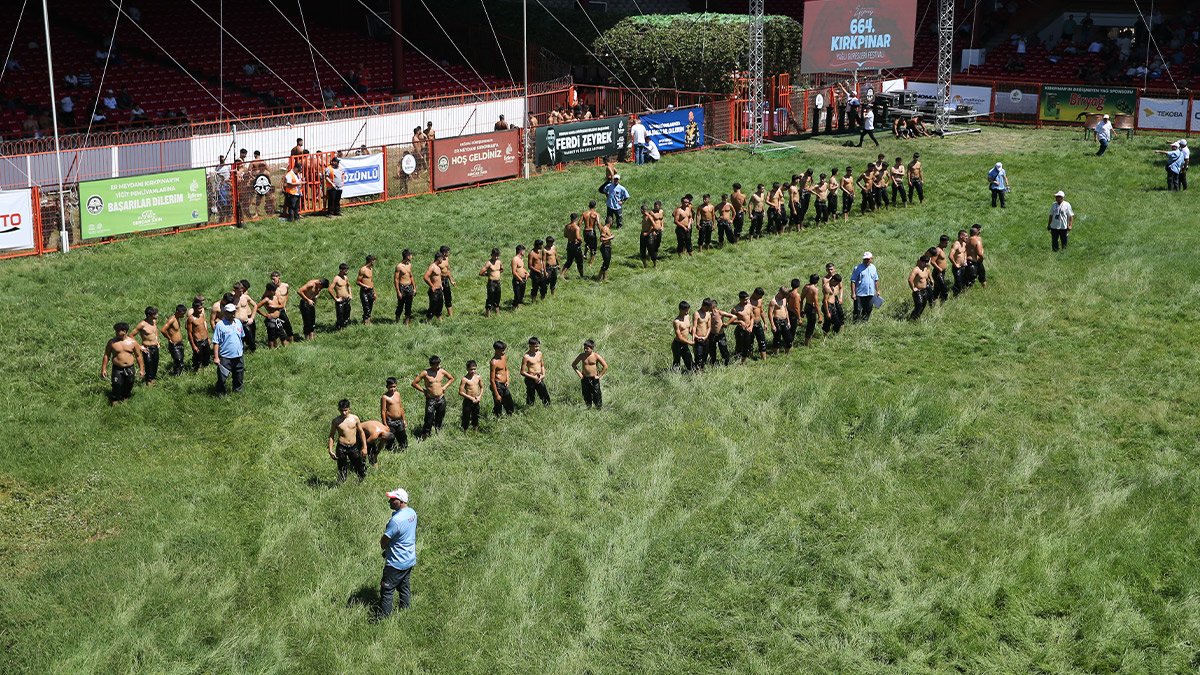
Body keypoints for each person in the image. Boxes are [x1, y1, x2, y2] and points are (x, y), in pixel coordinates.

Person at [376, 487, 417, 618]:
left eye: (392, 499)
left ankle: (383, 618)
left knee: (387, 590)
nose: (389, 501)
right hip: (409, 559)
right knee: (404, 586)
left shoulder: (396, 521)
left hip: (395, 563)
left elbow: (383, 542)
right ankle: (405, 610)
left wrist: (386, 548)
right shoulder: (412, 513)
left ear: (400, 501)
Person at [100, 322, 144, 404]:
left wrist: (142, 369)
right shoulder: (112, 342)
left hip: (130, 368)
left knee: (129, 383)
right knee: (117, 384)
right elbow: (106, 355)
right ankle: (115, 400)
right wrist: (103, 369)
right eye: (116, 331)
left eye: (118, 331)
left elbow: (138, 356)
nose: (116, 333)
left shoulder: (133, 343)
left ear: (125, 331)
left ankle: (125, 398)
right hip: (117, 368)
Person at [411, 356, 454, 439]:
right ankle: (425, 435)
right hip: (431, 399)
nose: (438, 366)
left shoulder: (441, 371)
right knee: (429, 418)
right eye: (436, 364)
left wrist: (444, 387)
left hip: (441, 398)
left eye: (439, 364)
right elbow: (414, 383)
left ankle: (438, 430)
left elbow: (451, 378)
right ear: (431, 365)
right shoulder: (425, 373)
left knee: (440, 416)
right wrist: (424, 391)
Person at [211, 303, 246, 395]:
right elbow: (216, 342)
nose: (232, 314)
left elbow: (241, 337)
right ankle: (220, 393)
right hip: (225, 356)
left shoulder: (238, 323)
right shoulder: (220, 325)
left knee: (239, 375)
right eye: (230, 312)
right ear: (225, 313)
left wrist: (242, 350)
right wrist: (216, 357)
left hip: (238, 356)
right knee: (222, 377)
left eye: (233, 312)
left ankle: (237, 391)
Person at [328, 399, 365, 482]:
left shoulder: (355, 418)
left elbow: (361, 432)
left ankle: (361, 482)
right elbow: (331, 436)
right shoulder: (336, 421)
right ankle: (341, 485)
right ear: (338, 409)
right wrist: (330, 450)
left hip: (353, 446)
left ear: (349, 409)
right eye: (341, 411)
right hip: (341, 447)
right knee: (342, 469)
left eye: (345, 410)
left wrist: (364, 447)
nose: (344, 413)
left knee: (360, 467)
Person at [571, 340, 608, 409]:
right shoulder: (582, 356)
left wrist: (599, 376)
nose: (585, 350)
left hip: (594, 379)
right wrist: (579, 374)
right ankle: (588, 408)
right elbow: (573, 365)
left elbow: (605, 366)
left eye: (587, 348)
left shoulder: (596, 356)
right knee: (586, 394)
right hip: (585, 378)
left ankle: (598, 409)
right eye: (584, 348)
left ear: (592, 348)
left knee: (597, 394)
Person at [131, 306, 161, 385]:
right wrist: (139, 346)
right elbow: (131, 335)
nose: (157, 315)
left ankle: (152, 379)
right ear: (149, 315)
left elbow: (155, 330)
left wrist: (157, 339)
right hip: (147, 348)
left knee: (155, 363)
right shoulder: (142, 324)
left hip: (155, 346)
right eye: (155, 314)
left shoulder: (154, 321)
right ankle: (149, 381)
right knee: (148, 364)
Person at [850, 252, 881, 322]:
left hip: (870, 293)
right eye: (865, 259)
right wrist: (853, 293)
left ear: (871, 259)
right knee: (857, 310)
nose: (866, 260)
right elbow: (853, 281)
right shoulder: (857, 268)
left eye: (868, 259)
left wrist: (877, 290)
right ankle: (855, 324)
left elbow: (876, 280)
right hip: (859, 294)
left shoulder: (873, 267)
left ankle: (864, 323)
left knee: (868, 309)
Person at [381, 377, 409, 451]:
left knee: (402, 436)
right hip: (390, 421)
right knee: (391, 438)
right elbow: (383, 411)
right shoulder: (385, 397)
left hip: (399, 420)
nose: (392, 389)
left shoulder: (397, 394)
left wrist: (404, 420)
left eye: (394, 387)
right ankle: (390, 449)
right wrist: (385, 424)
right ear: (387, 387)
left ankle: (403, 448)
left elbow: (400, 407)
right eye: (390, 387)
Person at [489, 341, 516, 417]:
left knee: (509, 403)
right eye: (502, 350)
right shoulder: (494, 362)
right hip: (497, 385)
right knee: (498, 403)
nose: (504, 352)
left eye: (504, 350)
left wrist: (507, 380)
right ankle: (497, 418)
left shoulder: (504, 357)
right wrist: (496, 394)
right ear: (496, 350)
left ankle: (510, 416)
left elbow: (506, 369)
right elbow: (492, 380)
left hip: (504, 384)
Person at [161, 304, 188, 376]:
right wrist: (169, 338)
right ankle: (176, 375)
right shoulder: (172, 319)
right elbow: (163, 330)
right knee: (178, 360)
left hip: (180, 343)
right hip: (174, 344)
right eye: (182, 314)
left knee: (181, 360)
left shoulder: (177, 319)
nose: (183, 315)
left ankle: (179, 375)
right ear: (177, 311)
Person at [186, 298, 211, 371]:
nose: (200, 310)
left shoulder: (202, 315)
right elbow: (189, 333)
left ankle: (205, 368)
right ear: (194, 308)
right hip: (198, 341)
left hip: (205, 339)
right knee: (198, 357)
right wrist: (193, 345)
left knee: (207, 355)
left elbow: (204, 328)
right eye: (199, 309)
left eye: (201, 308)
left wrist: (208, 337)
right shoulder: (191, 319)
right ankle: (196, 370)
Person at [458, 361, 483, 431]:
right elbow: (460, 392)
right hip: (468, 400)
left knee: (476, 415)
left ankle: (475, 428)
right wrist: (470, 398)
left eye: (474, 369)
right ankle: (464, 429)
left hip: (476, 399)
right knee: (466, 415)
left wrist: (480, 396)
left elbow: (482, 387)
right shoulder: (464, 379)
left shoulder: (478, 377)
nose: (473, 371)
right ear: (467, 369)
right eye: (471, 369)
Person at [672, 301, 695, 371]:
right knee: (677, 361)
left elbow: (689, 328)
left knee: (689, 360)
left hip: (684, 344)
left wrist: (695, 335)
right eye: (685, 311)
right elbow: (679, 337)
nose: (687, 312)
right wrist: (689, 342)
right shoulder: (676, 322)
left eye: (688, 310)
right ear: (680, 310)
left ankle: (692, 372)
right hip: (677, 344)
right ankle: (674, 375)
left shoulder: (687, 317)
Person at [394, 249, 415, 325]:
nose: (412, 256)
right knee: (400, 305)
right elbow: (396, 280)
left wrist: (414, 287)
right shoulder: (399, 266)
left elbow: (411, 276)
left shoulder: (409, 265)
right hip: (402, 288)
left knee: (409, 305)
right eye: (410, 255)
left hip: (409, 287)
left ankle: (406, 322)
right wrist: (398, 292)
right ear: (407, 256)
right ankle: (397, 321)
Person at [479, 248, 503, 316]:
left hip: (498, 282)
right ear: (491, 255)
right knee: (490, 298)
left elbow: (502, 269)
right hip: (491, 283)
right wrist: (488, 274)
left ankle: (497, 313)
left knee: (498, 297)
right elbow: (481, 273)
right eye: (495, 255)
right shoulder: (488, 263)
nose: (496, 257)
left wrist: (497, 274)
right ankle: (488, 315)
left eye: (497, 256)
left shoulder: (499, 262)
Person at [768, 287, 792, 355]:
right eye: (784, 295)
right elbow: (770, 314)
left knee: (789, 338)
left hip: (784, 320)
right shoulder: (773, 301)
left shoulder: (784, 299)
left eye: (785, 296)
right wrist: (772, 325)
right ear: (780, 293)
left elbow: (786, 310)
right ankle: (776, 355)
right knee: (777, 339)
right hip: (777, 321)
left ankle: (787, 353)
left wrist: (788, 321)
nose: (784, 297)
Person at [822, 266, 845, 334]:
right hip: (828, 306)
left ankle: (833, 334)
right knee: (828, 322)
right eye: (836, 283)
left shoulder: (832, 284)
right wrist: (827, 312)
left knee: (837, 322)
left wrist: (840, 298)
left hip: (833, 305)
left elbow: (840, 288)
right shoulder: (827, 287)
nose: (836, 285)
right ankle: (826, 336)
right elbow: (825, 301)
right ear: (833, 280)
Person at [423, 252, 445, 321]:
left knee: (440, 305)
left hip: (439, 290)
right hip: (434, 290)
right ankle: (428, 321)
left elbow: (438, 277)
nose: (443, 260)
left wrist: (441, 285)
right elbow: (425, 277)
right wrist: (432, 286)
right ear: (439, 258)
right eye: (442, 258)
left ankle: (440, 320)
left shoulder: (438, 267)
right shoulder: (432, 267)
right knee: (433, 306)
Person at [748, 288, 769, 361]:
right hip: (750, 324)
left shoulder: (760, 300)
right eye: (759, 296)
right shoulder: (748, 301)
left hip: (758, 323)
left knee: (762, 341)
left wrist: (765, 323)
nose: (760, 298)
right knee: (750, 342)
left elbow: (761, 311)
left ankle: (764, 359)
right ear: (755, 293)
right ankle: (750, 358)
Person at [908, 255, 931, 320]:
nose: (926, 263)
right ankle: (911, 319)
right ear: (921, 261)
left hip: (925, 290)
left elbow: (926, 277)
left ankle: (917, 318)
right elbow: (910, 280)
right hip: (918, 291)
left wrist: (930, 280)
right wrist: (913, 288)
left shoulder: (926, 269)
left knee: (924, 304)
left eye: (927, 262)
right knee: (919, 305)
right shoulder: (916, 270)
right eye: (925, 262)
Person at [330, 263, 353, 329]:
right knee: (340, 315)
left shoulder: (345, 278)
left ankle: (345, 328)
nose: (347, 272)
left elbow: (348, 286)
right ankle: (339, 328)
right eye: (345, 270)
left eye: (347, 270)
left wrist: (350, 294)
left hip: (347, 299)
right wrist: (335, 298)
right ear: (341, 270)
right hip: (340, 300)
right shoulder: (336, 278)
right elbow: (330, 289)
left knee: (347, 315)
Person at [801, 275, 820, 345]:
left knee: (809, 324)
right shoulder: (815, 289)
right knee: (811, 325)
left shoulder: (806, 286)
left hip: (807, 306)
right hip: (812, 307)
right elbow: (816, 303)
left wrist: (801, 309)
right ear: (817, 281)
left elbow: (801, 298)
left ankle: (808, 341)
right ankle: (807, 342)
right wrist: (819, 315)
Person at [357, 255, 377, 325]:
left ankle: (367, 320)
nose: (375, 262)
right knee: (366, 307)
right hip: (364, 291)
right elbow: (358, 282)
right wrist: (365, 286)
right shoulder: (363, 269)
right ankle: (366, 321)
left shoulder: (371, 269)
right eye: (374, 261)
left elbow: (371, 281)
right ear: (371, 261)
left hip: (371, 290)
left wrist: (374, 292)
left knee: (370, 306)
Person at [929, 238, 950, 304]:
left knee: (937, 290)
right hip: (938, 273)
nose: (947, 244)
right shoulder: (938, 250)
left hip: (942, 273)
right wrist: (939, 268)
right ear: (941, 242)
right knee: (944, 289)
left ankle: (933, 302)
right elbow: (932, 261)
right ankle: (943, 302)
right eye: (946, 243)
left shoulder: (942, 249)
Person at [282, 157, 303, 221]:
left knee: (296, 207)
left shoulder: (297, 174)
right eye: (298, 170)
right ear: (295, 168)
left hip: (297, 192)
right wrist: (299, 183)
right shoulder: (289, 174)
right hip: (292, 193)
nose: (299, 171)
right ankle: (291, 219)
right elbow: (289, 184)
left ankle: (296, 218)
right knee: (291, 207)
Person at [950, 230, 969, 294]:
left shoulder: (964, 243)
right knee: (958, 282)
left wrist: (965, 259)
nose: (967, 237)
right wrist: (955, 264)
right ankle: (955, 295)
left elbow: (965, 252)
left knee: (963, 281)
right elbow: (950, 256)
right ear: (961, 236)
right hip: (957, 267)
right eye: (966, 236)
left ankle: (962, 293)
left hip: (963, 266)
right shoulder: (956, 245)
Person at [438, 246, 456, 317]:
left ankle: (450, 315)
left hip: (446, 281)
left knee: (448, 297)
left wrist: (451, 280)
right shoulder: (438, 261)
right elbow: (435, 272)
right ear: (444, 252)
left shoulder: (447, 259)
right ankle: (438, 315)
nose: (449, 253)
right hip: (439, 281)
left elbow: (448, 270)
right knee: (439, 299)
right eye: (448, 252)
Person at [598, 217, 614, 281]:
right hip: (605, 247)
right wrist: (610, 237)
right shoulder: (605, 229)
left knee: (606, 263)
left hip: (607, 247)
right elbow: (601, 239)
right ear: (610, 222)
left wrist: (610, 236)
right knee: (606, 263)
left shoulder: (607, 228)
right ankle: (599, 277)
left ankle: (605, 278)